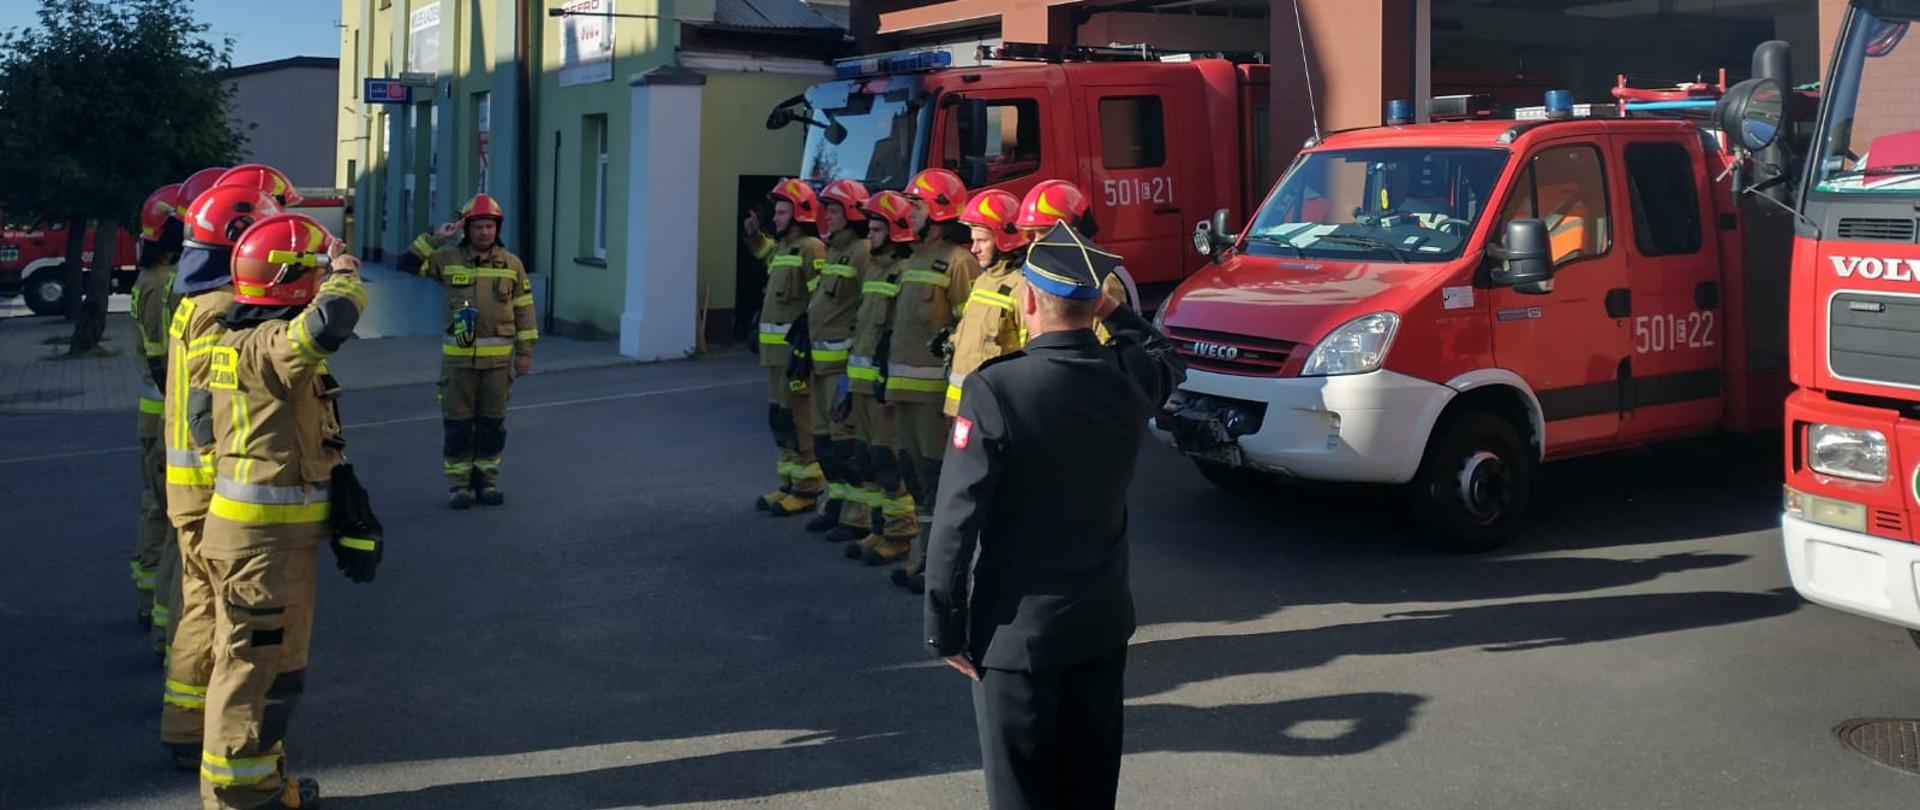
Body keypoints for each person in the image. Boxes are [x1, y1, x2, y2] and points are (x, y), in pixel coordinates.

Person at [924, 221, 1185, 810]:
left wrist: (945, 625)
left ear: (1029, 299)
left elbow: (956, 519)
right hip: (1100, 624)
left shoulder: (998, 388)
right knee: (1089, 792)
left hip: (1017, 638)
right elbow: (1165, 354)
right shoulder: (1129, 376)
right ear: (1096, 303)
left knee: (1022, 796)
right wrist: (1112, 308)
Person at [194, 213, 374, 810]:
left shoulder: (228, 338)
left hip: (264, 545)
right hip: (261, 552)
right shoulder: (264, 347)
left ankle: (266, 782)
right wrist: (344, 276)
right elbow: (329, 324)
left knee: (266, 672)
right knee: (253, 675)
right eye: (315, 272)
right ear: (293, 283)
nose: (324, 277)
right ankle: (243, 797)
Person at [161, 180, 282, 769]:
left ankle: (184, 721)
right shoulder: (220, 308)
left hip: (190, 480)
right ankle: (197, 733)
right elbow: (222, 400)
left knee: (197, 603)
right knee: (218, 612)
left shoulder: (192, 300)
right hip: (211, 487)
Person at [868, 169, 978, 582]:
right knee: (915, 479)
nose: (908, 213)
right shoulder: (912, 259)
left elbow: (967, 329)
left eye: (915, 206)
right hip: (904, 393)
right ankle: (925, 559)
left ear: (938, 211)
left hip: (935, 397)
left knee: (937, 480)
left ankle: (943, 569)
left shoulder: (959, 262)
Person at [399, 193, 538, 508]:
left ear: (497, 228)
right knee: (459, 428)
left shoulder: (512, 265)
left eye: (489, 226)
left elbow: (524, 311)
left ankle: (487, 485)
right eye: (478, 227)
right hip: (458, 368)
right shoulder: (447, 261)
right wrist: (438, 237)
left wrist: (525, 352)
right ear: (466, 229)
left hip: (498, 369)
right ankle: (459, 488)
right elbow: (407, 263)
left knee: (492, 428)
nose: (484, 232)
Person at [836, 191, 921, 559]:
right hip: (860, 380)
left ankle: (899, 536)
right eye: (869, 228)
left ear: (895, 231)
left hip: (881, 383)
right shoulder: (873, 269)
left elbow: (896, 335)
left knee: (887, 461)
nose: (868, 235)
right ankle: (877, 527)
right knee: (867, 456)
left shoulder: (904, 272)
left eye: (875, 229)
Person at [745, 179, 828, 516]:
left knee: (798, 419)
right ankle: (788, 483)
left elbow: (819, 299)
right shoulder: (783, 250)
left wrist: (805, 343)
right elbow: (766, 255)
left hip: (794, 358)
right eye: (775, 212)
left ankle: (807, 489)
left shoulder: (811, 249)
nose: (775, 218)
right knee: (779, 419)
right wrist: (753, 236)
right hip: (774, 358)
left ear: (800, 214)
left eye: (781, 212)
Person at [129, 182, 185, 653]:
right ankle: (160, 614)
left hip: (157, 413)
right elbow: (161, 359)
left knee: (158, 509)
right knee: (168, 517)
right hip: (165, 415)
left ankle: (151, 603)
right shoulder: (160, 285)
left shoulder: (157, 280)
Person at [803, 179, 872, 535]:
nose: (827, 216)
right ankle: (836, 504)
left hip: (841, 365)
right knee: (824, 443)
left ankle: (857, 518)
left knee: (845, 444)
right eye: (826, 209)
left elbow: (867, 310)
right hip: (819, 363)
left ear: (851, 214)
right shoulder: (833, 251)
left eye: (833, 210)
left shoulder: (862, 252)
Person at [944, 189, 1028, 418]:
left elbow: (1030, 356)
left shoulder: (1021, 287)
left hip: (993, 412)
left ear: (1005, 239)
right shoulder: (983, 280)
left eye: (982, 241)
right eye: (973, 241)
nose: (974, 249)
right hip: (961, 408)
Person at [1014, 181, 1132, 340]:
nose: (1034, 243)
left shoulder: (1102, 282)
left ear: (1073, 232)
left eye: (1042, 233)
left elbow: (1107, 355)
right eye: (1030, 235)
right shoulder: (1035, 276)